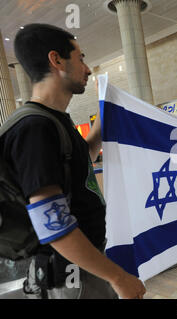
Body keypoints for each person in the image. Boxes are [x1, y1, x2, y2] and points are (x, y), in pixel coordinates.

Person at [0, 24, 146, 299]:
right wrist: (118, 277)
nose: (88, 69)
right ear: (56, 60)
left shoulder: (54, 121)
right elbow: (51, 222)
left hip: (83, 268)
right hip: (69, 279)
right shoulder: (34, 128)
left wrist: (101, 128)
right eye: (80, 58)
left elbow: (77, 168)